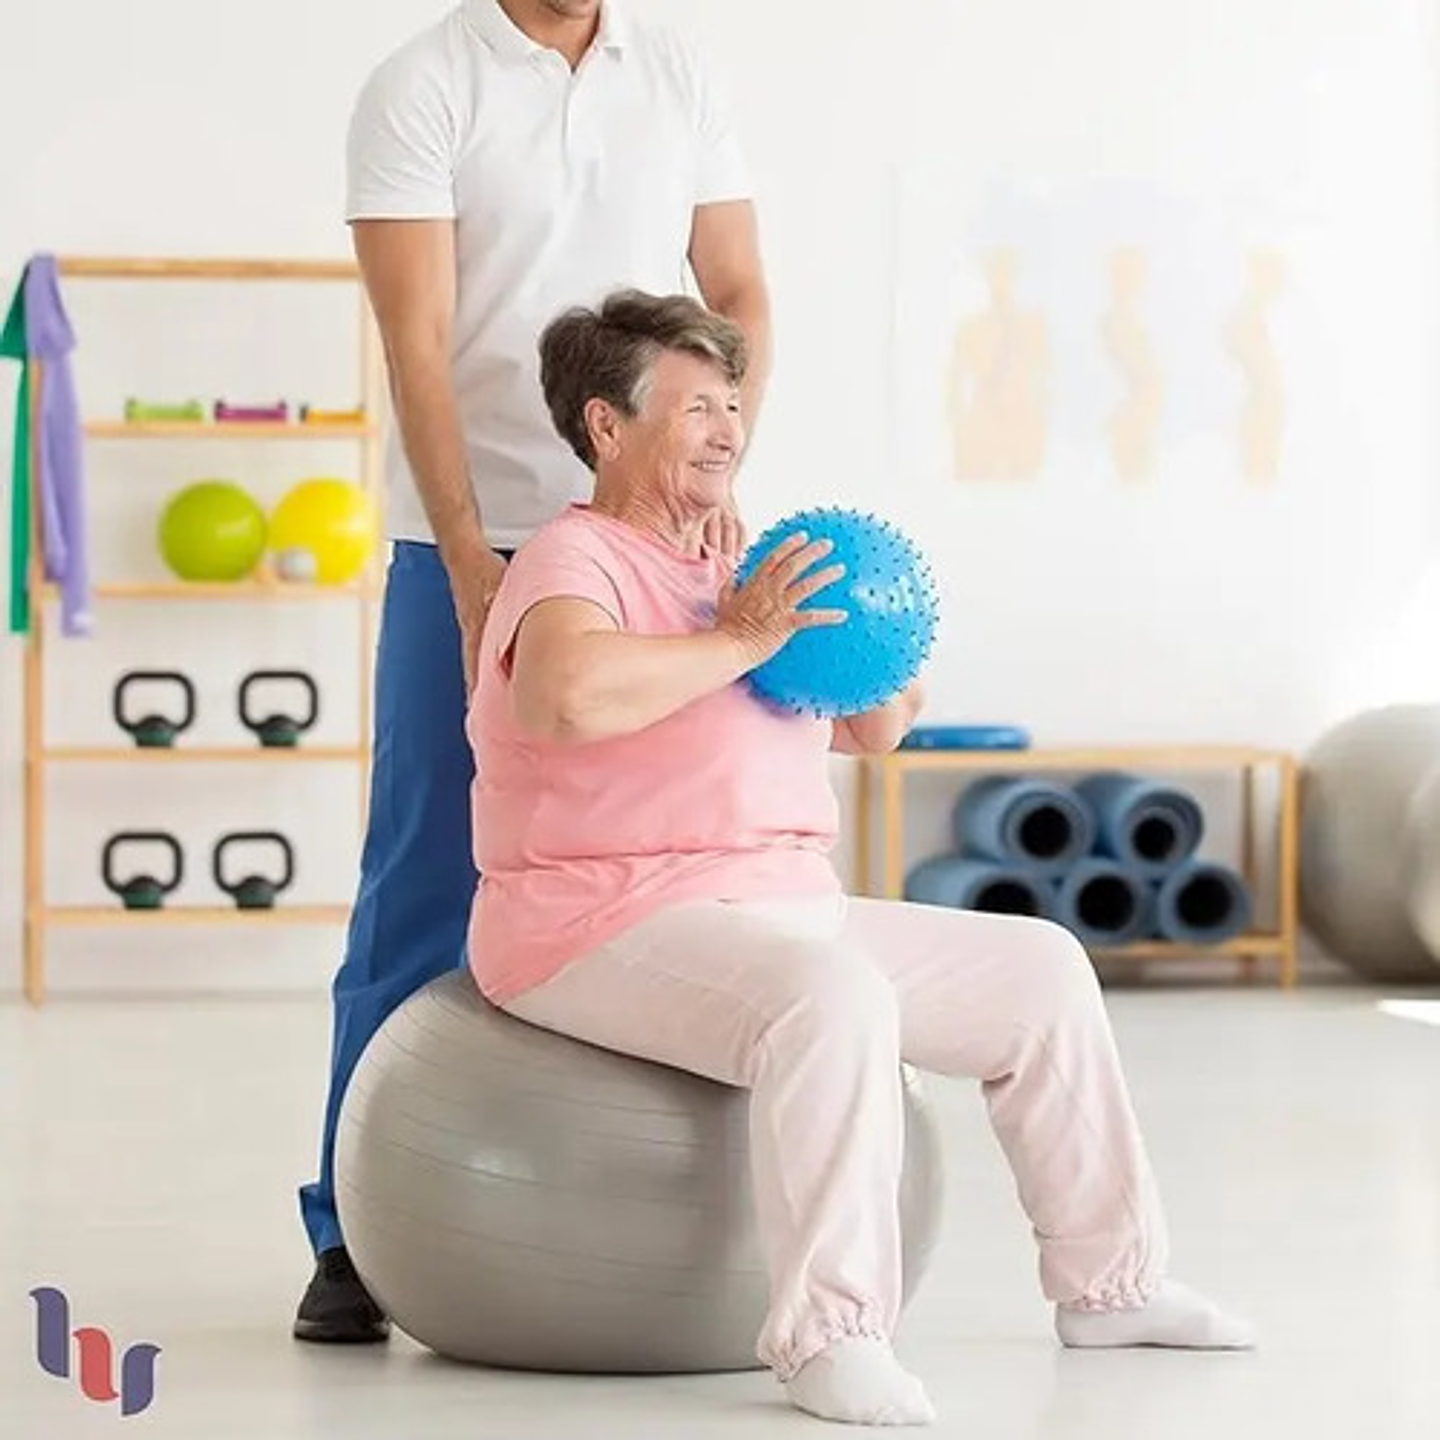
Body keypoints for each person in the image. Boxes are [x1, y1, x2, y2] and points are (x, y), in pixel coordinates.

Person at [467, 290, 1256, 1428]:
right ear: (605, 427)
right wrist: (739, 637)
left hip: (780, 905)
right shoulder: (570, 560)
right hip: (598, 920)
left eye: (733, 404)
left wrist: (867, 633)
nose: (728, 429)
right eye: (696, 407)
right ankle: (831, 1337)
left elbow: (874, 732)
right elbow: (570, 695)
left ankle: (1110, 1285)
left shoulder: (749, 572)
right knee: (832, 999)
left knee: (1041, 969)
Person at [293, 0, 771, 1343]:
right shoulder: (425, 85)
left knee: (677, 857)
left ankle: (683, 1217)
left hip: (649, 532)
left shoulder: (676, 67)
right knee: (425, 875)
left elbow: (737, 292)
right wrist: (465, 558)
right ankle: (345, 1230)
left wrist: (707, 464)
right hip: (479, 533)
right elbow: (418, 341)